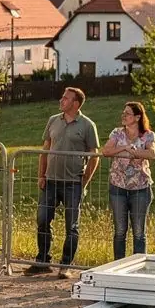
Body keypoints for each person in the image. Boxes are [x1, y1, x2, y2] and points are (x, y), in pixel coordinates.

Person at [26, 87, 99, 278]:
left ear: (76, 103)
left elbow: (95, 156)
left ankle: (65, 265)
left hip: (72, 183)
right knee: (42, 220)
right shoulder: (53, 120)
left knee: (71, 226)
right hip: (50, 181)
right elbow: (45, 149)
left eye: (65, 98)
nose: (61, 100)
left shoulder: (87, 125)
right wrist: (41, 175)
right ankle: (42, 261)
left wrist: (83, 182)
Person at [101, 102, 155, 260]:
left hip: (140, 188)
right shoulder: (117, 133)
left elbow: (152, 154)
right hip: (118, 187)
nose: (123, 116)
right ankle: (118, 265)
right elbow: (106, 151)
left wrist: (134, 152)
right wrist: (124, 148)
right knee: (120, 230)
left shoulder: (148, 135)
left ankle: (138, 267)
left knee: (139, 231)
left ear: (137, 117)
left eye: (127, 113)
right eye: (123, 113)